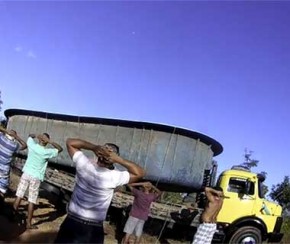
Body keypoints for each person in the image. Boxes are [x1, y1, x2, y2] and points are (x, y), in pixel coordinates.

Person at [54, 138, 145, 244]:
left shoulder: (84, 165)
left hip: (72, 221)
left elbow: (70, 142)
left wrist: (94, 147)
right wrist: (118, 159)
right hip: (93, 227)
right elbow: (140, 173)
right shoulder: (115, 177)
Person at [13, 133, 63, 229]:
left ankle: (12, 216)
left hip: (26, 173)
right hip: (36, 177)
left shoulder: (32, 146)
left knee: (19, 195)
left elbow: (30, 136)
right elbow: (60, 149)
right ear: (46, 142)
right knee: (32, 200)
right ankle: (28, 224)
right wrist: (49, 141)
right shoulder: (47, 152)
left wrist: (36, 135)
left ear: (40, 140)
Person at [0, 126, 27, 205]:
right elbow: (25, 145)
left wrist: (6, 131)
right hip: (4, 171)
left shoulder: (1, 138)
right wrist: (17, 137)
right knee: (2, 190)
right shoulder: (15, 146)